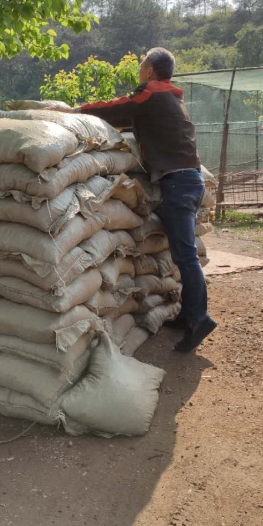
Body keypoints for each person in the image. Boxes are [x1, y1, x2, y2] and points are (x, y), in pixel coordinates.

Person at [46, 48, 216, 353]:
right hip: (184, 180)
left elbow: (117, 109)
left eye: (141, 66)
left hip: (179, 182)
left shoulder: (153, 95)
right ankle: (189, 315)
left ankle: (200, 318)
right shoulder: (171, 98)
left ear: (149, 70)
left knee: (186, 256)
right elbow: (127, 121)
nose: (139, 71)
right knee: (182, 254)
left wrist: (76, 111)